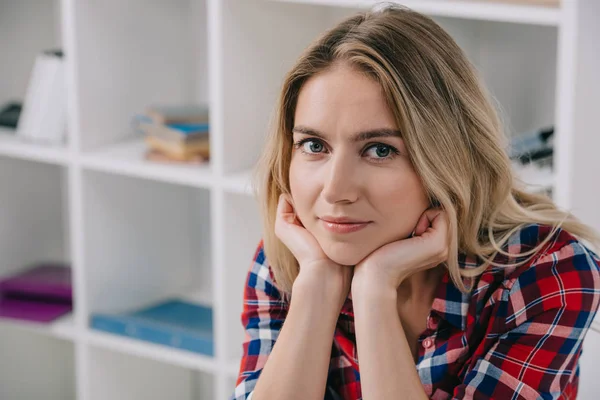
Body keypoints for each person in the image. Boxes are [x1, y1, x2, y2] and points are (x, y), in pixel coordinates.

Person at [230, 4, 600, 400]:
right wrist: (317, 289)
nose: (336, 190)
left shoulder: (547, 273)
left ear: (448, 156)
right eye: (314, 145)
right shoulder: (287, 262)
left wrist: (374, 293)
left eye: (379, 150)